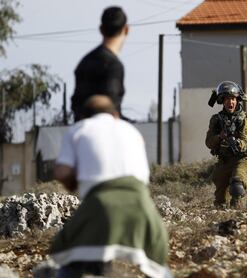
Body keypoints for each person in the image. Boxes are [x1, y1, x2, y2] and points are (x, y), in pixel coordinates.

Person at [51, 95, 170, 278]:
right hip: (142, 205)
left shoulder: (79, 129)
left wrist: (75, 182)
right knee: (158, 267)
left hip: (99, 204)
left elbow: (62, 172)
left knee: (67, 258)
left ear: (84, 116)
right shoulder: (132, 131)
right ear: (115, 115)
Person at [205, 81, 247, 208]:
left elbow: (243, 143)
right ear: (222, 101)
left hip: (242, 160)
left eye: (232, 99)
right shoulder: (216, 120)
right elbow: (209, 143)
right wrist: (220, 136)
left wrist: (233, 140)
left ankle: (238, 215)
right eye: (226, 99)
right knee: (220, 201)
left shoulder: (246, 119)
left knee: (237, 187)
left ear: (237, 100)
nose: (230, 102)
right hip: (224, 161)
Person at [71, 6, 128, 122]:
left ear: (101, 29)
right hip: (105, 134)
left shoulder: (84, 62)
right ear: (126, 30)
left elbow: (76, 103)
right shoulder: (114, 66)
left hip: (81, 128)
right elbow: (110, 107)